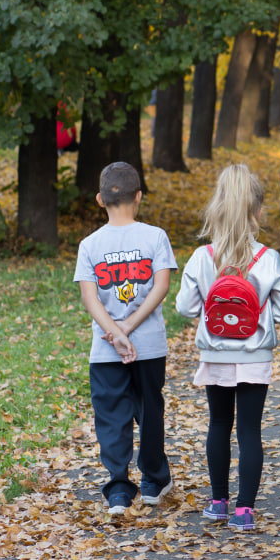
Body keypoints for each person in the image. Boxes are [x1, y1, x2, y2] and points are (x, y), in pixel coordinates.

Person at [175, 164, 280, 532]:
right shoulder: (268, 259)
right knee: (249, 430)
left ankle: (217, 501)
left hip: (215, 354)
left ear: (217, 207)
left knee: (218, 423)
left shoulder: (202, 257)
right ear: (257, 212)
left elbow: (185, 307)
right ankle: (245, 510)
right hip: (255, 356)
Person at [73, 162, 178, 516]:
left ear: (100, 199)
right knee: (149, 410)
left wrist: (116, 334)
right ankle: (152, 482)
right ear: (139, 197)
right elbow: (161, 286)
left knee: (111, 417)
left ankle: (118, 490)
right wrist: (130, 329)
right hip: (148, 344)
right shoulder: (155, 236)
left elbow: (90, 298)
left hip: (105, 350)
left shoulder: (90, 244)